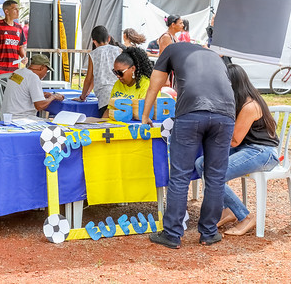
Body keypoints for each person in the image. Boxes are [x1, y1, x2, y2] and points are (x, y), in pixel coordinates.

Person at [142, 42, 235, 249]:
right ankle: (209, 233)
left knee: (180, 175)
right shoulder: (212, 54)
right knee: (216, 177)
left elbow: (154, 85)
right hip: (225, 114)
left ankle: (172, 234)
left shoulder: (169, 50)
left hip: (191, 112)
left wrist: (146, 116)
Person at [195, 64, 279, 236]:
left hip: (262, 152)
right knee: (200, 163)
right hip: (246, 148)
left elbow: (233, 140)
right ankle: (227, 210)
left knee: (214, 173)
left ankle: (245, 216)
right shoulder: (236, 102)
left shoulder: (250, 106)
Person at [77, 26, 122, 117]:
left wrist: (83, 96)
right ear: (109, 38)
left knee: (105, 124)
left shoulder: (93, 54)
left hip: (104, 95)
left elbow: (89, 78)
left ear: (94, 41)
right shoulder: (118, 50)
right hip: (121, 92)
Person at [2, 55, 64, 119]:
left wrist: (42, 95)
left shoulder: (17, 72)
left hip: (6, 117)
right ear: (41, 68)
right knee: (55, 126)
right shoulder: (33, 77)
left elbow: (22, 93)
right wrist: (53, 97)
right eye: (46, 71)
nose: (45, 74)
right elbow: (39, 106)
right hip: (21, 119)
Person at [103, 47, 153, 118]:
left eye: (120, 72)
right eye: (115, 72)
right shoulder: (118, 84)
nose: (117, 76)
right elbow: (109, 109)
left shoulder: (147, 85)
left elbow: (143, 114)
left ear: (132, 69)